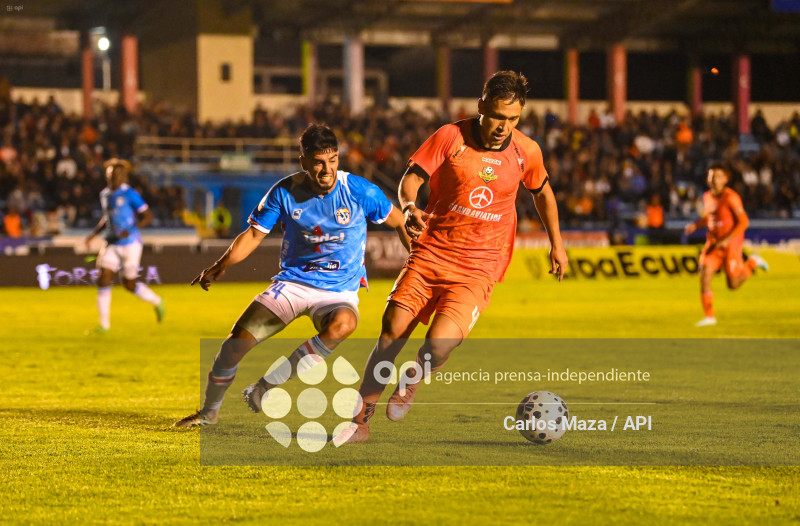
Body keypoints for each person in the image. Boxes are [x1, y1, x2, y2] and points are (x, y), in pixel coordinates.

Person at [337, 71, 568, 444]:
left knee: (440, 344)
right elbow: (411, 179)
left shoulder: (527, 151)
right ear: (481, 107)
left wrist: (556, 243)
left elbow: (542, 193)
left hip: (480, 266)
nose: (502, 127)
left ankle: (412, 379)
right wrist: (410, 205)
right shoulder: (450, 136)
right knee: (391, 332)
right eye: (496, 116)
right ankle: (360, 420)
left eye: (512, 119)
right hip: (431, 253)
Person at [173, 124, 409, 428]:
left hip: (338, 292)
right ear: (304, 162)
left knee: (344, 324)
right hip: (293, 284)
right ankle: (208, 412)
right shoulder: (283, 192)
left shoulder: (359, 190)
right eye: (319, 162)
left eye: (333, 160)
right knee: (235, 345)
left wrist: (418, 260)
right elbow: (253, 236)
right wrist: (220, 265)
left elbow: (400, 222)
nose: (327, 170)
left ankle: (264, 388)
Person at [85, 159, 165, 333]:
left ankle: (157, 301)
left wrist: (131, 229)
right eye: (112, 173)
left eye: (119, 174)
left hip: (131, 244)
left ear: (124, 176)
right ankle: (104, 325)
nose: (115, 177)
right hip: (111, 243)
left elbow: (148, 216)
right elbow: (107, 217)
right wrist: (93, 234)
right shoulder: (105, 194)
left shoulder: (130, 194)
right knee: (103, 278)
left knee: (129, 285)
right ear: (107, 175)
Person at [684, 163, 768, 327]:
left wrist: (728, 239)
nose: (714, 180)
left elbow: (744, 222)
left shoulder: (731, 197)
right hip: (714, 243)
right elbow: (711, 217)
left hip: (731, 246)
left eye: (718, 177)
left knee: (733, 284)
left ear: (725, 179)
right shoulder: (707, 196)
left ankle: (752, 262)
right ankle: (710, 316)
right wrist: (696, 225)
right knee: (704, 273)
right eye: (712, 176)